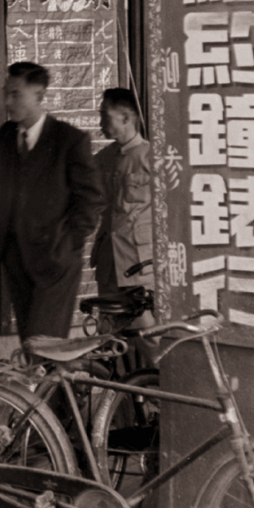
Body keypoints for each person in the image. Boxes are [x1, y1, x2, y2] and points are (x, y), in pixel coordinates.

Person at [0, 62, 105, 342]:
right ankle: (56, 386)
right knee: (30, 342)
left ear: (39, 95)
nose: (7, 101)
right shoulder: (5, 137)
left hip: (56, 260)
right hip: (15, 258)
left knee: (45, 345)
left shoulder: (69, 140)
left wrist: (69, 241)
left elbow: (92, 198)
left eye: (15, 94)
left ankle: (65, 385)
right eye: (6, 92)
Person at [92, 89, 159, 365]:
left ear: (126, 117)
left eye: (104, 116)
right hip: (109, 265)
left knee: (149, 338)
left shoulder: (152, 158)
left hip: (139, 265)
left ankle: (160, 398)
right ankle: (120, 407)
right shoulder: (101, 159)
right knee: (108, 341)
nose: (100, 123)